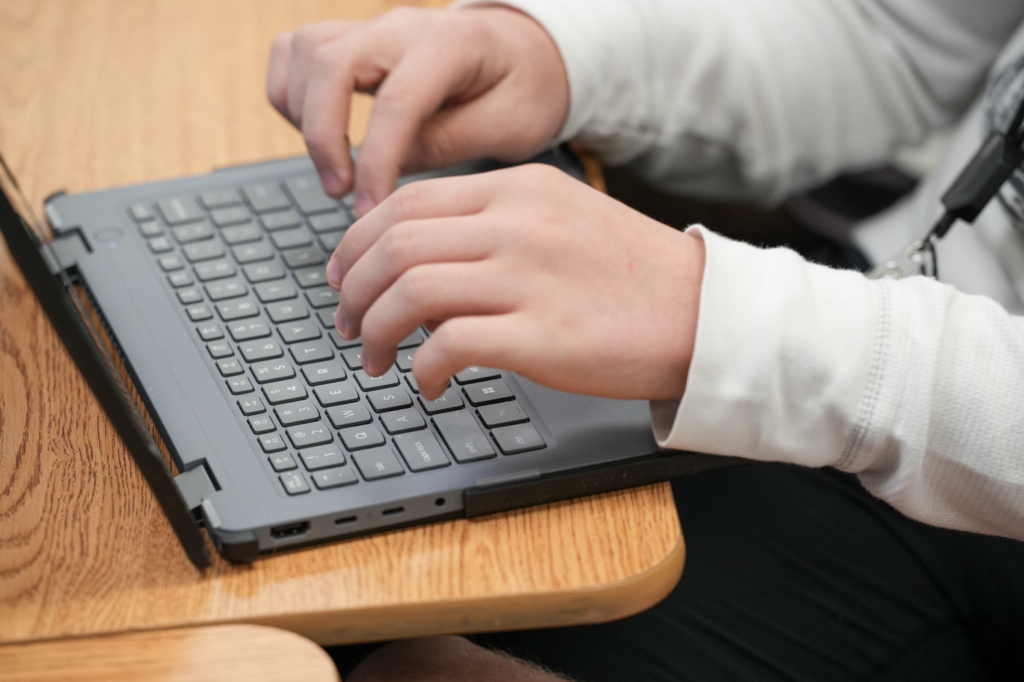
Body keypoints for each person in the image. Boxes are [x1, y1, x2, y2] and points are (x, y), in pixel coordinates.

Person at [266, 1, 1024, 678]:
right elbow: (889, 36)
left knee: (372, 644)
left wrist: (721, 317)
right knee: (322, 573)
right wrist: (565, 54)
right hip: (868, 309)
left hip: (977, 500)